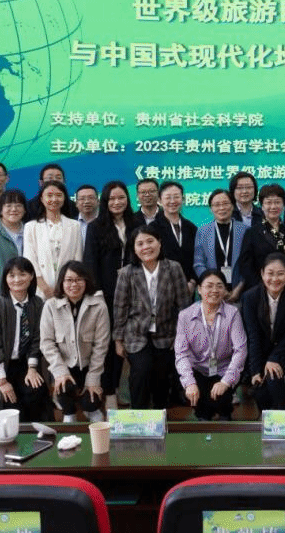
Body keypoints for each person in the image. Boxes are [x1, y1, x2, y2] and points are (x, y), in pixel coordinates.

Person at [113, 225, 192, 410]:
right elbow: (119, 308)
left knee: (161, 380)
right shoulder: (126, 273)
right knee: (140, 374)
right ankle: (137, 415)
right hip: (136, 335)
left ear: (159, 243)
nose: (146, 247)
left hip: (166, 335)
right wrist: (118, 340)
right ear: (134, 249)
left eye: (150, 241)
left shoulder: (173, 268)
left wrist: (182, 337)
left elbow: (184, 306)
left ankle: (159, 416)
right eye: (140, 243)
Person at [0, 257, 49, 421]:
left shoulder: (37, 304)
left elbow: (37, 339)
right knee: (7, 404)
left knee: (36, 391)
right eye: (11, 275)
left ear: (31, 276)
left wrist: (32, 368)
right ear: (5, 279)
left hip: (23, 363)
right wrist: (3, 382)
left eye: (22, 274)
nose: (17, 279)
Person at [82, 180, 137, 410]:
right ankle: (110, 393)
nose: (117, 202)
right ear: (105, 201)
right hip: (106, 296)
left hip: (135, 295)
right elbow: (90, 262)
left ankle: (128, 391)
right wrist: (96, 294)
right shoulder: (96, 227)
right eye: (112, 198)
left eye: (121, 197)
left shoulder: (136, 222)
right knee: (109, 347)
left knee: (132, 344)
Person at [39, 261, 109, 423]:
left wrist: (93, 379)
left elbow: (101, 345)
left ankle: (91, 410)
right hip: (64, 365)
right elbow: (47, 343)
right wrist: (60, 372)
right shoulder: (50, 305)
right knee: (65, 388)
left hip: (90, 365)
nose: (74, 284)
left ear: (86, 281)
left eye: (79, 280)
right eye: (69, 280)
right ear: (62, 282)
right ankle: (68, 413)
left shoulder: (99, 306)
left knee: (91, 402)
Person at [174, 270, 247, 421]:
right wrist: (189, 383)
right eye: (209, 286)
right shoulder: (185, 315)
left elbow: (240, 350)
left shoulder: (233, 313)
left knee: (221, 398)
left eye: (219, 286)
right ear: (199, 289)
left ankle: (224, 412)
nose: (215, 290)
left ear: (225, 290)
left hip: (223, 369)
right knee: (201, 404)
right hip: (198, 369)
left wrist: (226, 381)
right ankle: (203, 414)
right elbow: (181, 353)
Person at [240, 253, 285, 412]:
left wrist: (273, 359)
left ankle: (284, 415)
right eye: (270, 273)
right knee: (260, 389)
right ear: (262, 274)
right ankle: (268, 420)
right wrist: (255, 370)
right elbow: (253, 336)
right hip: (259, 350)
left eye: (280, 274)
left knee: (273, 377)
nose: (275, 279)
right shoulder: (250, 297)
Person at [24, 180, 83, 301]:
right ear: (41, 199)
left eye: (59, 195)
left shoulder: (75, 226)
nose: (54, 199)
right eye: (49, 195)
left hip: (68, 290)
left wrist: (64, 287)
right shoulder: (31, 227)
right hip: (40, 291)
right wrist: (45, 288)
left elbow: (77, 260)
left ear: (64, 198)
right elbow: (30, 260)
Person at [237, 184, 285, 293]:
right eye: (268, 203)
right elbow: (246, 265)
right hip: (259, 291)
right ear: (262, 206)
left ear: (283, 205)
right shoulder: (252, 233)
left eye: (277, 202)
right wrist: (263, 287)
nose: (273, 207)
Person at [193, 188, 248, 297]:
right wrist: (214, 287)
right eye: (217, 205)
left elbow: (248, 263)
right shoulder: (203, 231)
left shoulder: (244, 230)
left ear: (233, 206)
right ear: (211, 209)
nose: (221, 208)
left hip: (240, 292)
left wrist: (238, 289)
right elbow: (198, 263)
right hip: (211, 293)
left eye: (225, 203)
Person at [156, 181, 198, 293]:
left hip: (188, 287)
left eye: (176, 197)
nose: (172, 201)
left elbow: (198, 257)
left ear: (182, 199)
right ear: (159, 200)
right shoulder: (153, 228)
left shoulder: (191, 227)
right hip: (162, 288)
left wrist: (193, 282)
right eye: (168, 197)